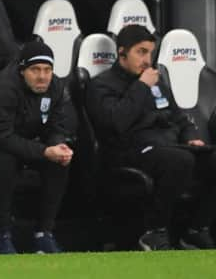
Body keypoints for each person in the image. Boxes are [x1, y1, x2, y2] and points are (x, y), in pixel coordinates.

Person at [86, 24, 216, 251]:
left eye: (150, 53)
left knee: (211, 157)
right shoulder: (101, 85)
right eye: (141, 52)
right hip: (129, 150)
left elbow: (179, 117)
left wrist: (191, 137)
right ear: (122, 52)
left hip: (168, 145)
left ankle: (197, 229)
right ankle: (154, 232)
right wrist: (142, 86)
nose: (147, 59)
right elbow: (116, 123)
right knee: (179, 160)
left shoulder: (157, 82)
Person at [0, 41, 73, 254]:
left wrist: (57, 146)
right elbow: (2, 137)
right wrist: (43, 151)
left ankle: (44, 234)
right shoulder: (1, 90)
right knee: (5, 161)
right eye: (35, 70)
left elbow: (57, 125)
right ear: (22, 70)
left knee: (59, 162)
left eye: (47, 70)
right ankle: (1, 236)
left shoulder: (55, 87)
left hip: (16, 139)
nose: (42, 76)